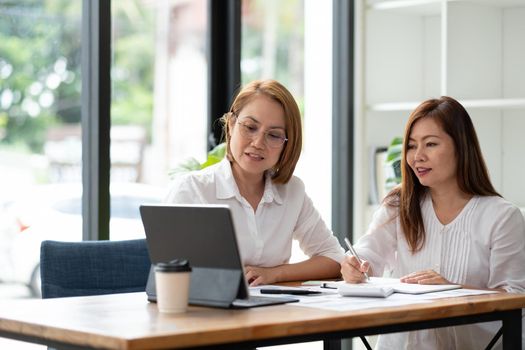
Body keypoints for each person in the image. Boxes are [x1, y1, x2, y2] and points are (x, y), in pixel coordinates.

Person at [341, 96, 525, 349]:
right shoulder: (399, 205)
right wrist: (354, 265)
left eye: (430, 144)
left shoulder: (502, 216)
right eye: (412, 146)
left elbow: (516, 297)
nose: (417, 157)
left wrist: (453, 290)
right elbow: (368, 254)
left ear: (461, 147)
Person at [166, 79, 344, 286]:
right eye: (250, 127)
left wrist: (274, 274)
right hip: (206, 314)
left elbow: (333, 257)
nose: (258, 143)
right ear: (232, 125)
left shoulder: (292, 191)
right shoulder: (192, 190)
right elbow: (169, 274)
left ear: (287, 144)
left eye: (274, 135)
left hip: (273, 312)